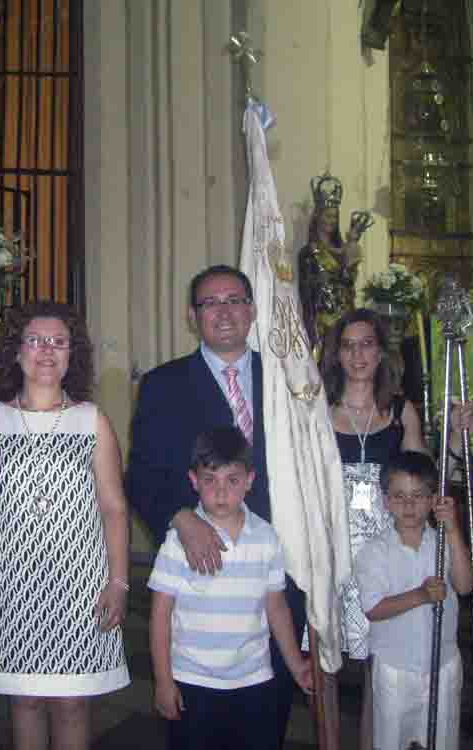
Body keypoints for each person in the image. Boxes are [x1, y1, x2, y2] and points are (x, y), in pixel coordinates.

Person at [127, 263, 306, 748]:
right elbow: (141, 474)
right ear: (192, 316)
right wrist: (182, 518)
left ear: (251, 310)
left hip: (279, 557)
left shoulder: (287, 381)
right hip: (201, 565)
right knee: (198, 718)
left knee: (268, 706)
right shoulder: (165, 385)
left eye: (234, 301)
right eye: (210, 303)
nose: (223, 312)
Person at [0, 301, 130, 749]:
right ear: (17, 351)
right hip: (13, 580)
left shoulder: (92, 420)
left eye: (58, 342)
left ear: (72, 355)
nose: (46, 350)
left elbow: (114, 508)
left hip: (79, 581)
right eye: (35, 340)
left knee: (72, 702)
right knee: (25, 701)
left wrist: (120, 582)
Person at [319, 308, 473, 749]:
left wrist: (455, 443)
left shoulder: (400, 409)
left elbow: (425, 474)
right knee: (327, 659)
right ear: (336, 354)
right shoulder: (317, 410)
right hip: (332, 544)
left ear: (380, 351)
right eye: (347, 345)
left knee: (380, 661)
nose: (357, 354)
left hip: (388, 545)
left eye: (366, 343)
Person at [148, 427, 312, 750]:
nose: (221, 492)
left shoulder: (266, 538)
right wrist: (164, 681)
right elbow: (160, 615)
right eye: (210, 480)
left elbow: (276, 607)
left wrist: (295, 666)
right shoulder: (178, 543)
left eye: (232, 480)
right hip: (193, 681)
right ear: (194, 481)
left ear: (250, 480)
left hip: (253, 680)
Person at [355, 451, 473, 750]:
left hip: (442, 663)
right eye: (399, 496)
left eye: (419, 496)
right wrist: (420, 596)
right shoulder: (374, 551)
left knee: (443, 740)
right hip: (394, 667)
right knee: (390, 742)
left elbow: (464, 584)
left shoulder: (443, 542)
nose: (408, 505)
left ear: (433, 499)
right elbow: (373, 609)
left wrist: (454, 528)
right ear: (385, 501)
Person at [298, 172, 371, 360]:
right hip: (322, 323)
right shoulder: (309, 253)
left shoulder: (343, 250)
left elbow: (348, 283)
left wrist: (353, 242)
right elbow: (307, 295)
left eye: (334, 217)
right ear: (317, 216)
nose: (331, 221)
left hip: (345, 319)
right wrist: (310, 328)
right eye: (327, 216)